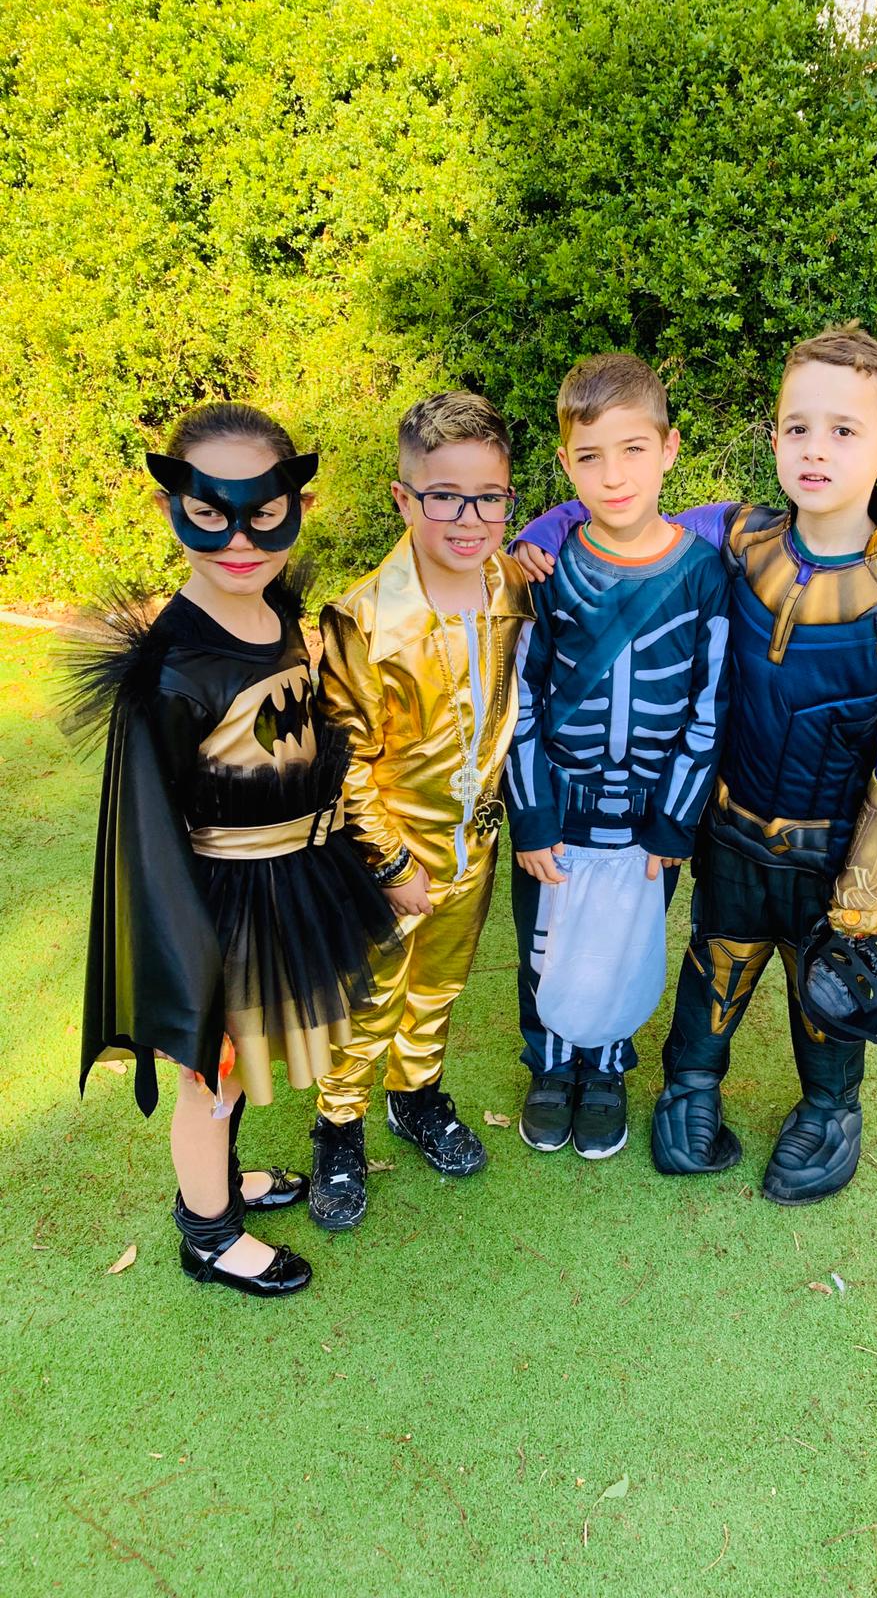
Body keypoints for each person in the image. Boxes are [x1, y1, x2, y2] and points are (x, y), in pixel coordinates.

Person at [512, 326, 877, 1204]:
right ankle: (689, 1088)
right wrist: (539, 532)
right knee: (713, 962)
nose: (816, 449)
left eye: (844, 430)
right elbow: (617, 515)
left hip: (828, 850)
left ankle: (829, 1110)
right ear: (774, 437)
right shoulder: (739, 536)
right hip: (724, 830)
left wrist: (863, 900)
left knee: (823, 987)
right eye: (798, 427)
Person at [71, 401, 400, 1295]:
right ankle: (208, 1234)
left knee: (244, 1067)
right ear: (171, 509)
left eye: (265, 514)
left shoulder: (277, 615)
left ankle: (222, 1178)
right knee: (211, 1077)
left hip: (292, 884)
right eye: (210, 515)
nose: (241, 542)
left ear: (298, 505)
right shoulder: (170, 671)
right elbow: (149, 839)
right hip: (218, 908)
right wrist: (190, 968)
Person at [307, 391, 534, 1229]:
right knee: (369, 996)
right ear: (405, 499)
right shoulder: (365, 618)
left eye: (488, 498)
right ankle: (338, 1126)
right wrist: (393, 864)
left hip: (475, 844)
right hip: (390, 856)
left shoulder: (512, 583)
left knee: (440, 985)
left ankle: (416, 1097)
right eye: (446, 497)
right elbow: (344, 764)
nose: (469, 520)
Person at [503, 353, 729, 1160]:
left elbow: (709, 707)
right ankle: (550, 1063)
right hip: (558, 811)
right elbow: (520, 699)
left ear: (669, 449)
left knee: (626, 946)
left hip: (648, 821)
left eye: (634, 450)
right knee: (546, 946)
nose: (614, 475)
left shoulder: (703, 574)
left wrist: (676, 822)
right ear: (566, 464)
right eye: (590, 457)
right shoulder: (547, 571)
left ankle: (605, 1068)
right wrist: (531, 817)